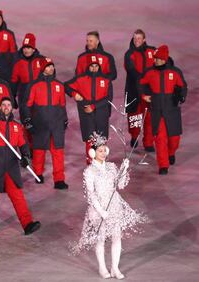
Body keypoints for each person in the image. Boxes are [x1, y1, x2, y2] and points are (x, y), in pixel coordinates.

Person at [71, 132, 148, 279]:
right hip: (98, 209)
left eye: (105, 150)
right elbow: (91, 194)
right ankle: (102, 267)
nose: (103, 153)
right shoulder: (89, 171)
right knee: (100, 238)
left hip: (114, 206)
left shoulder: (112, 166)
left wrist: (124, 169)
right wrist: (100, 211)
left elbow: (120, 185)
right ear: (93, 152)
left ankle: (115, 268)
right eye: (100, 150)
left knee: (116, 236)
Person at [0, 97, 40, 235]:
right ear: (0, 107)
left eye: (9, 105)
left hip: (11, 165)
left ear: (12, 108)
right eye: (4, 105)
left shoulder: (17, 126)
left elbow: (22, 143)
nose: (6, 107)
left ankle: (27, 224)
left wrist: (26, 157)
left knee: (17, 195)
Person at [138, 45, 187, 175]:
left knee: (174, 139)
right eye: (155, 58)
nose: (156, 61)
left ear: (165, 59)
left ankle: (171, 152)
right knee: (160, 139)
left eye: (159, 59)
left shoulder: (175, 72)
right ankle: (163, 165)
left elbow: (183, 86)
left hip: (172, 110)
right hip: (157, 110)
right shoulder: (149, 73)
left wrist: (181, 96)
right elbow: (141, 85)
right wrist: (144, 96)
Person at [22, 57, 68, 189]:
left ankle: (59, 180)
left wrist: (64, 119)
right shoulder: (34, 85)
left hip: (57, 124)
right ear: (42, 69)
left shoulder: (59, 85)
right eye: (48, 66)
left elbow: (62, 105)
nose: (51, 68)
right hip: (40, 123)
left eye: (52, 66)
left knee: (58, 151)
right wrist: (28, 120)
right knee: (39, 150)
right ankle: (38, 174)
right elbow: (26, 105)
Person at [65, 57, 113, 163]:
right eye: (92, 66)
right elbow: (66, 85)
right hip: (87, 115)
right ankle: (90, 167)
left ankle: (101, 166)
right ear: (88, 67)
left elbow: (108, 98)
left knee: (101, 141)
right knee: (89, 141)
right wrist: (74, 94)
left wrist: (93, 106)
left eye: (96, 66)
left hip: (101, 114)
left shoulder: (105, 80)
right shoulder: (80, 79)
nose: (94, 68)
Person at [124, 29, 156, 151]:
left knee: (149, 118)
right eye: (135, 38)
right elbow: (131, 70)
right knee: (134, 117)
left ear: (144, 39)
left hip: (149, 91)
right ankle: (134, 136)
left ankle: (148, 143)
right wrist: (146, 79)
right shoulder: (129, 54)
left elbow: (161, 62)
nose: (136, 41)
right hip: (134, 91)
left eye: (139, 38)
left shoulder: (152, 51)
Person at [11, 33, 45, 145]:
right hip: (24, 98)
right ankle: (28, 150)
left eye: (29, 48)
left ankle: (38, 148)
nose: (26, 50)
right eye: (25, 48)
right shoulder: (18, 63)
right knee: (26, 123)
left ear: (34, 48)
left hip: (39, 98)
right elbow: (14, 81)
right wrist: (13, 97)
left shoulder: (42, 61)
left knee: (39, 122)